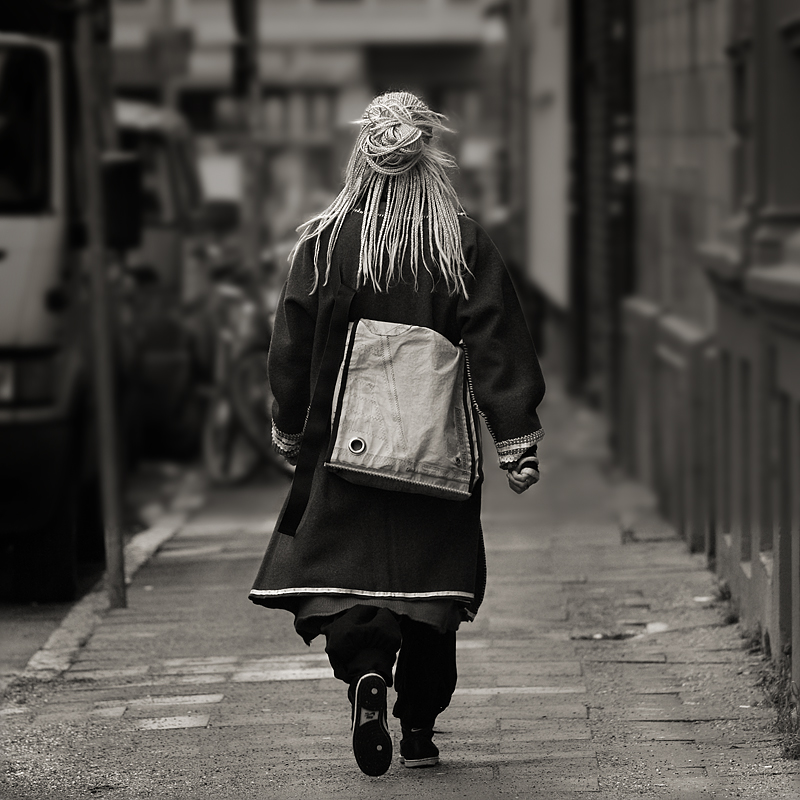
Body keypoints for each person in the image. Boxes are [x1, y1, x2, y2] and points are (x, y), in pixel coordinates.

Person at [249, 91, 544, 777]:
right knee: (430, 599)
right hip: (434, 453)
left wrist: (290, 427)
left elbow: (290, 347)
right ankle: (418, 725)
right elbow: (500, 341)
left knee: (350, 585)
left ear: (363, 157)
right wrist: (515, 436)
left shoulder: (324, 243)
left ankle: (366, 677)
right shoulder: (458, 243)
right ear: (425, 160)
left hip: (339, 451)